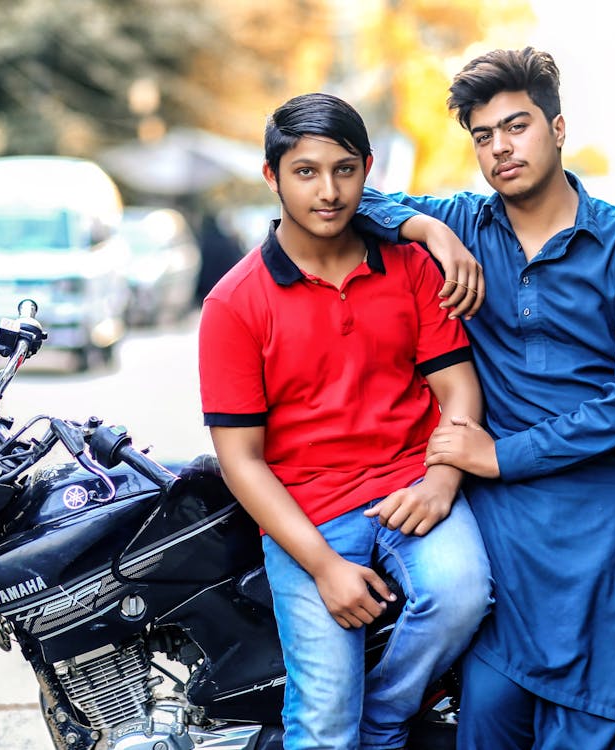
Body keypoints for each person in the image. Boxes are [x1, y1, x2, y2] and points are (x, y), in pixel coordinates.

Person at [355, 47, 615, 749]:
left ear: (557, 129)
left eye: (517, 126)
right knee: (487, 721)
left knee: (589, 726)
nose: (500, 148)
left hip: (606, 522)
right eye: (482, 136)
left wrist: (501, 453)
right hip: (505, 528)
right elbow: (345, 197)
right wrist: (428, 230)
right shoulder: (466, 222)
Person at [198, 92, 492, 750]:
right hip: (308, 510)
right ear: (271, 176)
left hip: (412, 486)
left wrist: (441, 482)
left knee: (461, 594)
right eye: (304, 172)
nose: (327, 192)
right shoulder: (234, 303)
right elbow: (240, 459)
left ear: (366, 170)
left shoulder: (412, 265)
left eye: (343, 170)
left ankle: (384, 721)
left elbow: (458, 393)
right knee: (326, 720)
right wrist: (324, 566)